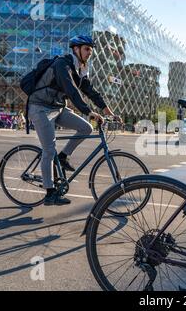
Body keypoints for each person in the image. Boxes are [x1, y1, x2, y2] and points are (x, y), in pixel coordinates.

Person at [28, 35, 122, 206]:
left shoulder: (80, 70)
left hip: (57, 107)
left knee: (86, 128)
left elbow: (91, 92)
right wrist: (89, 112)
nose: (89, 53)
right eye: (87, 49)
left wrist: (110, 112)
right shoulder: (62, 64)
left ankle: (63, 157)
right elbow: (71, 91)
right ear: (76, 49)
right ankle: (50, 193)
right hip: (40, 107)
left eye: (91, 51)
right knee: (49, 150)